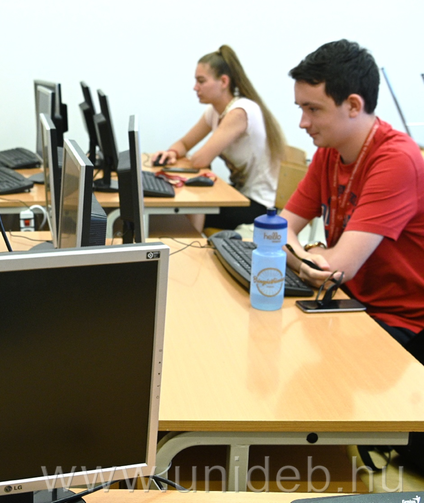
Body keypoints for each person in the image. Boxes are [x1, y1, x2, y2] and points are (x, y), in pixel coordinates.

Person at [281, 39, 424, 471]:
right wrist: (311, 255)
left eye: (313, 109)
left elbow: (335, 269)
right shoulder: (329, 153)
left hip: (395, 323)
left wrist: (309, 256)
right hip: (347, 306)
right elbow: (278, 229)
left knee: (289, 387)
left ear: (353, 105)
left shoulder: (396, 159)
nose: (303, 122)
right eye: (301, 108)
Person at [152, 45, 286, 230]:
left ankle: (194, 246)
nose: (195, 87)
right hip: (240, 194)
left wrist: (189, 159)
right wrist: (172, 153)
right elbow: (184, 143)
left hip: (260, 206)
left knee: (177, 214)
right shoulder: (214, 112)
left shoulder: (240, 112)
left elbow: (200, 160)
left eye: (201, 81)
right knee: (180, 208)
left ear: (223, 81)